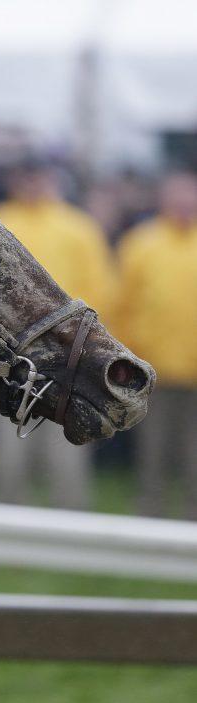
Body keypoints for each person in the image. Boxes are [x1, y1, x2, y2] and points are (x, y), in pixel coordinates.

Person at [0, 157, 117, 509]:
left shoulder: (78, 228)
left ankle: (71, 522)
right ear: (15, 178)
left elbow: (100, 290)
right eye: (26, 175)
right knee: (8, 449)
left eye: (39, 175)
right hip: (10, 355)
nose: (32, 183)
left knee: (67, 449)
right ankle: (9, 522)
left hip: (68, 359)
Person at [114, 171, 197, 517]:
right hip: (152, 368)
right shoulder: (140, 244)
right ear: (163, 199)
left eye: (189, 196)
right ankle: (151, 513)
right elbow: (122, 304)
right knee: (153, 449)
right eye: (177, 196)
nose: (183, 204)